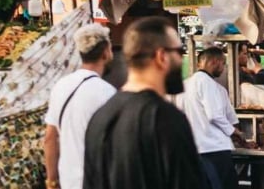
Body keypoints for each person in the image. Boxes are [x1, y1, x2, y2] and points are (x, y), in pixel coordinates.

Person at [81, 16, 207, 189]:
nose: (180, 59)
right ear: (162, 56)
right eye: (179, 51)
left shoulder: (100, 116)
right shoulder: (166, 118)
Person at [44, 23, 117, 189]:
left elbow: (49, 139)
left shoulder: (61, 86)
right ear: (106, 51)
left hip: (69, 182)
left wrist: (51, 181)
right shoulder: (107, 93)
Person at [179, 46, 243, 189]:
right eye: (223, 63)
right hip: (213, 149)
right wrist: (234, 132)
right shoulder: (208, 83)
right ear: (215, 61)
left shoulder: (184, 85)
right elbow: (214, 115)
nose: (223, 67)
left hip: (193, 150)